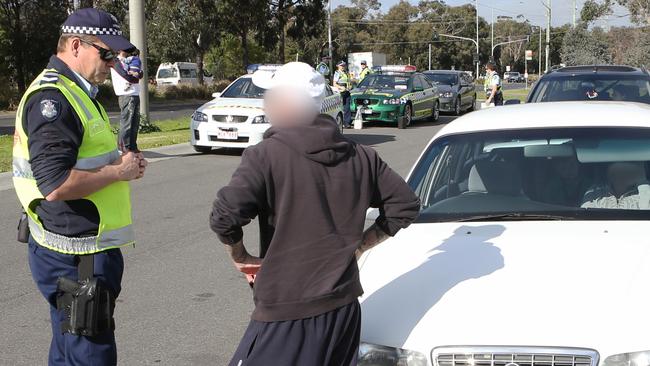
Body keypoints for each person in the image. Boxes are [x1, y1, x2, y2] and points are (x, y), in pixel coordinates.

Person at [210, 62, 420, 366]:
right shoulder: (361, 156)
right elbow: (405, 205)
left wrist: (240, 255)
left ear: (284, 103)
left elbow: (225, 216)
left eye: (270, 96)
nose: (266, 104)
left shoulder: (265, 155)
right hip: (343, 310)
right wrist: (362, 244)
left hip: (286, 311)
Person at [12, 8, 147, 365]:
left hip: (78, 249)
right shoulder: (53, 100)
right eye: (106, 54)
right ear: (75, 46)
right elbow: (55, 184)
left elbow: (80, 157)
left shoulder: (77, 92)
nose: (112, 63)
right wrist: (118, 173)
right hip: (75, 256)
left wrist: (119, 162)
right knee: (90, 355)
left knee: (69, 351)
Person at [110, 48, 143, 152]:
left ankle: (132, 146)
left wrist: (137, 75)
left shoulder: (130, 60)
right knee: (127, 122)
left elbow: (140, 73)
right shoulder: (116, 61)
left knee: (135, 122)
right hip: (126, 94)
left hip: (134, 93)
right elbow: (125, 76)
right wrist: (135, 77)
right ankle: (124, 148)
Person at [581, 162, 650, 209]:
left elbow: (647, 211)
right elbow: (584, 216)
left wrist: (642, 182)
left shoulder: (643, 192)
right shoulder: (596, 192)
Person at [333, 60, 352, 128]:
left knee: (347, 108)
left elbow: (348, 82)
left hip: (347, 91)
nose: (343, 67)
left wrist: (350, 86)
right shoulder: (337, 73)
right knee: (340, 108)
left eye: (344, 65)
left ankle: (347, 123)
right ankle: (339, 122)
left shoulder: (346, 73)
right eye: (341, 65)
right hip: (340, 92)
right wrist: (341, 87)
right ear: (338, 66)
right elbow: (334, 84)